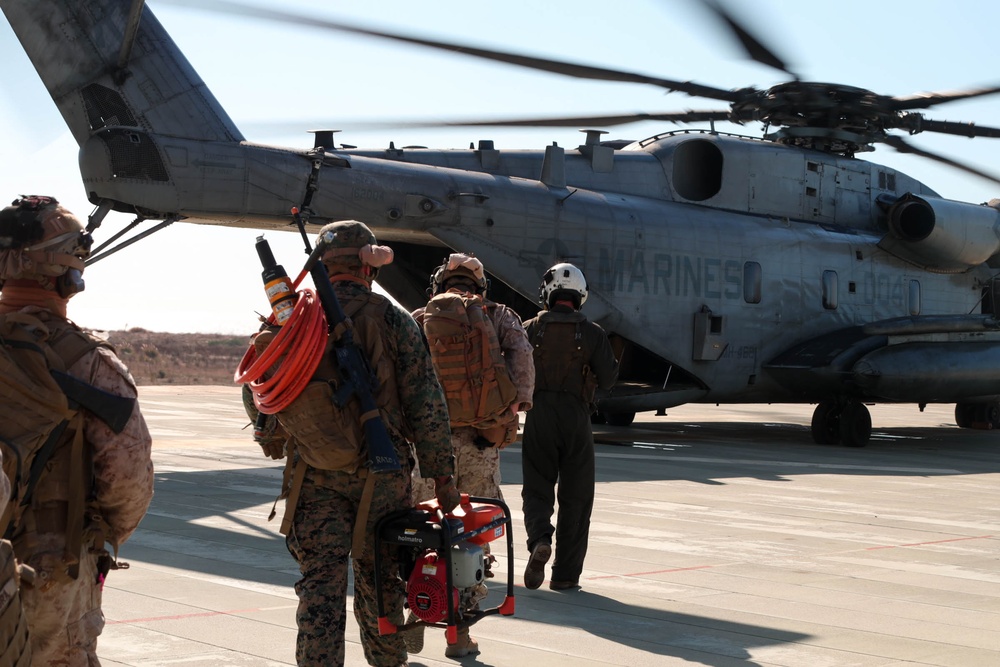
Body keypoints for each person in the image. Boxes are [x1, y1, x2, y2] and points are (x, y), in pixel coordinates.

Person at [245, 220, 458, 667]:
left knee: (319, 591)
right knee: (381, 586)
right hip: (383, 479)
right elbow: (427, 402)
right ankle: (386, 661)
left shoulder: (294, 320)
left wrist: (276, 436)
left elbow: (257, 389)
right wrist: (442, 476)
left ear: (323, 264)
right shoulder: (393, 318)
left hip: (314, 475)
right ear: (367, 266)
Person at [0, 195, 155, 665]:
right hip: (50, 570)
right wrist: (99, 537)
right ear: (69, 273)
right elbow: (129, 479)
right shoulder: (88, 362)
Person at [407, 253, 535, 658]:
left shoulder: (419, 316)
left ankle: (414, 609)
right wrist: (513, 408)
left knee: (418, 529)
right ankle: (459, 634)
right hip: (480, 442)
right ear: (480, 285)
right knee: (473, 535)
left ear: (439, 281)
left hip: (428, 445)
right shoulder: (500, 316)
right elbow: (523, 364)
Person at [520, 262, 618, 592]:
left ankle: (539, 541)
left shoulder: (530, 328)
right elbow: (609, 379)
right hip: (577, 418)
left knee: (536, 488)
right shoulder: (592, 333)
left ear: (548, 294)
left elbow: (513, 371)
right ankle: (564, 575)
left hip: (538, 415)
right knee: (577, 497)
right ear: (580, 297)